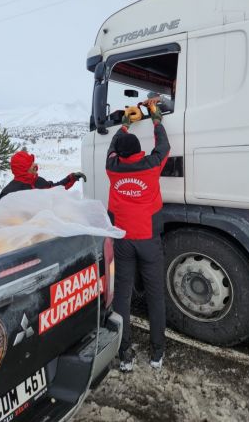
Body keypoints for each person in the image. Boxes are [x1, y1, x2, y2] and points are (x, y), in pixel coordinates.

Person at [106, 98, 170, 372]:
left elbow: (111, 148)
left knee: (122, 296)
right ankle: (157, 354)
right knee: (155, 295)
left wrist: (124, 125)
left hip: (123, 241)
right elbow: (164, 146)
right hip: (148, 241)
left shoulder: (113, 168)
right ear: (138, 151)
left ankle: (126, 356)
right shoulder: (152, 165)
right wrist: (156, 119)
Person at [0, 150, 86, 199]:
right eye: (33, 167)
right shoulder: (8, 193)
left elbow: (56, 188)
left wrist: (71, 178)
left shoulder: (38, 182)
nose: (36, 169)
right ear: (23, 170)